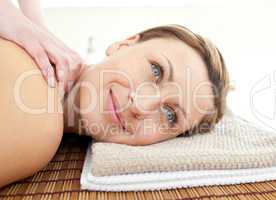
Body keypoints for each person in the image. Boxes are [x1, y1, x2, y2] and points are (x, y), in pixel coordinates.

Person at [0, 2, 230, 189]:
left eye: (170, 115)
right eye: (156, 70)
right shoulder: (40, 120)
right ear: (123, 45)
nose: (140, 105)